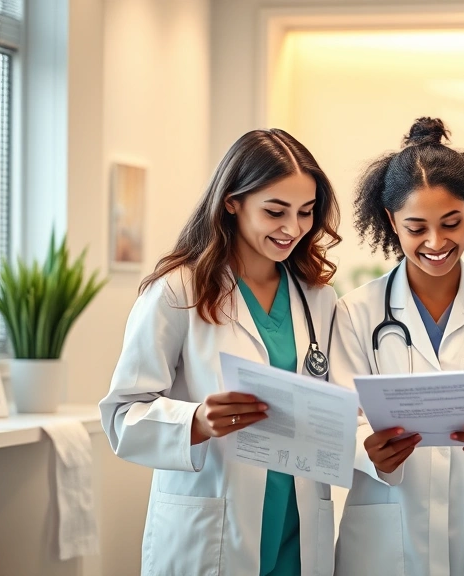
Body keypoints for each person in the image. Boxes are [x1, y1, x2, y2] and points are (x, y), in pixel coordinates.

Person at [99, 129, 342, 576]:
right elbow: (121, 415)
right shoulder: (177, 291)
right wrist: (194, 421)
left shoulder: (316, 296)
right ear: (232, 201)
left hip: (296, 524)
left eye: (306, 212)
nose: (293, 228)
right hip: (211, 527)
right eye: (275, 211)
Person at [330, 117, 464, 576]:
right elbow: (337, 419)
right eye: (416, 227)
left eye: (451, 223)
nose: (436, 242)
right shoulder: (355, 312)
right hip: (383, 542)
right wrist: (367, 449)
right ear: (391, 222)